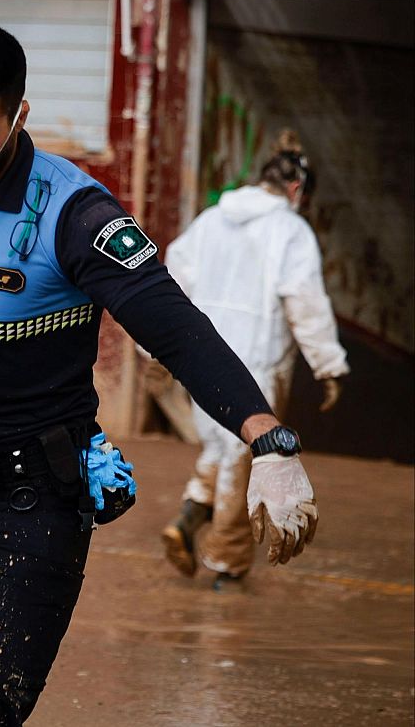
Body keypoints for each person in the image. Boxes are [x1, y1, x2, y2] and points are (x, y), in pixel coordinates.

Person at [0, 16, 321, 726]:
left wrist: (267, 438)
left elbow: (178, 329)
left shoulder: (77, 215)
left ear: (18, 117)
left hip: (25, 506)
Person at [159, 133, 347, 589]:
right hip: (256, 366)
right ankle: (227, 564)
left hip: (202, 362)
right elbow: (304, 301)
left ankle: (187, 519)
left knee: (223, 450)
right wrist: (329, 364)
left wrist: (157, 351)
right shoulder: (292, 231)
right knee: (248, 461)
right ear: (297, 190)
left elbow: (169, 281)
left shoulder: (211, 220)